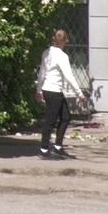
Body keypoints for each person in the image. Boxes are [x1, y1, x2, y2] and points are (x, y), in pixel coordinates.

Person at [35, 28, 83, 158]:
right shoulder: (62, 56)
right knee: (51, 120)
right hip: (54, 90)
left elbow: (42, 73)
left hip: (49, 89)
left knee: (66, 117)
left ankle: (57, 147)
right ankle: (44, 150)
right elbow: (69, 76)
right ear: (65, 41)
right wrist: (79, 93)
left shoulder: (46, 53)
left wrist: (39, 90)